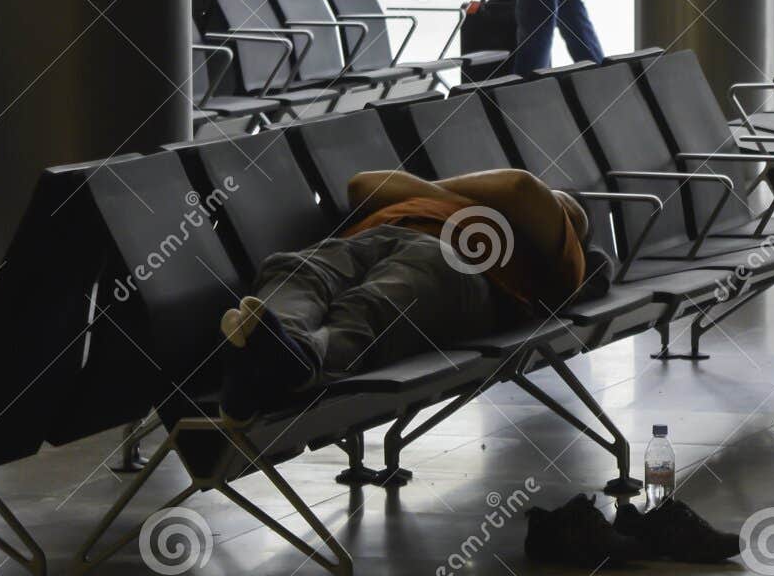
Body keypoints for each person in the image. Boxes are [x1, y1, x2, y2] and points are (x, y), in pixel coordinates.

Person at [217, 167, 608, 420]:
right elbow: (362, 184)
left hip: (455, 264)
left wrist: (452, 197)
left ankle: (296, 363)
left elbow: (522, 187)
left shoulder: (562, 264)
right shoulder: (460, 205)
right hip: (372, 237)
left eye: (564, 208)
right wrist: (464, 202)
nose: (554, 204)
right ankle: (266, 352)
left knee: (373, 306)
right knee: (297, 271)